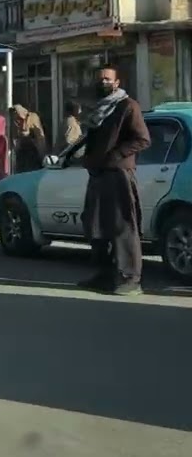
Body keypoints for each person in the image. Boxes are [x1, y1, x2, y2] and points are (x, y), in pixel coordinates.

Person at [76, 64, 150, 296]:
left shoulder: (128, 106)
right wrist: (89, 159)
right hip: (98, 175)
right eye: (100, 79)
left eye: (108, 79)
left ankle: (130, 278)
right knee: (97, 226)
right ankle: (106, 274)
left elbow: (142, 139)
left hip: (118, 174)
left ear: (117, 83)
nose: (103, 83)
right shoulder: (99, 110)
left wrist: (114, 156)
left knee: (122, 227)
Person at [9, 104, 46, 173]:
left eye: (19, 118)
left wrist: (41, 153)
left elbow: (40, 135)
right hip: (21, 151)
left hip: (33, 149)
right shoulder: (14, 122)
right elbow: (14, 136)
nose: (18, 121)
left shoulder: (33, 117)